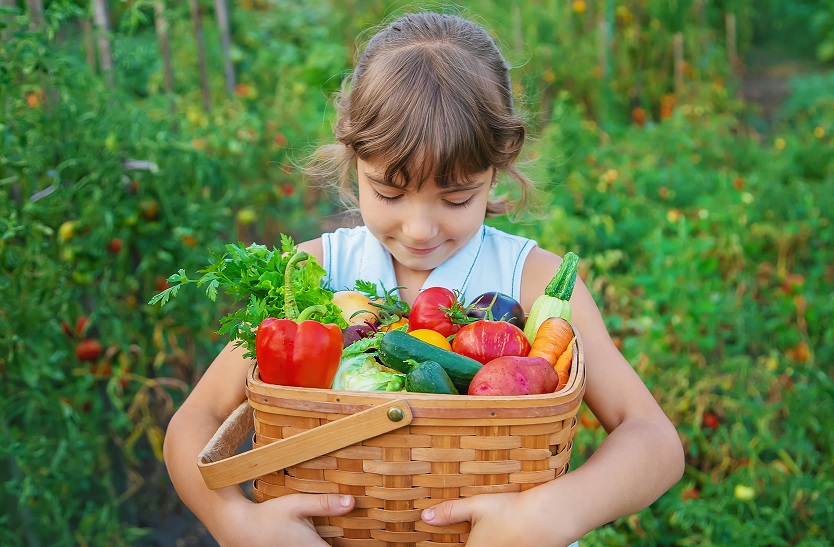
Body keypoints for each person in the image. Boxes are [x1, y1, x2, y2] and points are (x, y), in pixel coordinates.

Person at [163, 11, 684, 547]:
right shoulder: (310, 274)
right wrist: (237, 522)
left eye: (456, 197)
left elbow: (653, 440)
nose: (419, 229)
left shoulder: (534, 279)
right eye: (389, 193)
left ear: (498, 169)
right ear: (353, 160)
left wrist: (553, 514)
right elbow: (195, 421)